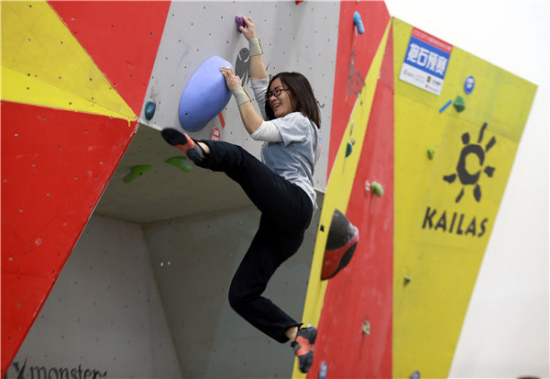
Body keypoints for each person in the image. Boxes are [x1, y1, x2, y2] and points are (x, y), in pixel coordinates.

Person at [161, 15, 320, 373]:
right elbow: (262, 84)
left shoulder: (301, 123)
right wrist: (253, 40)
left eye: (283, 92)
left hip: (294, 205)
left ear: (299, 96)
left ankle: (199, 150)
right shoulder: (285, 119)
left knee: (237, 158)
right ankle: (299, 334)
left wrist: (235, 85)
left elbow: (256, 128)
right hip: (284, 227)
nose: (275, 96)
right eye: (276, 93)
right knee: (241, 295)